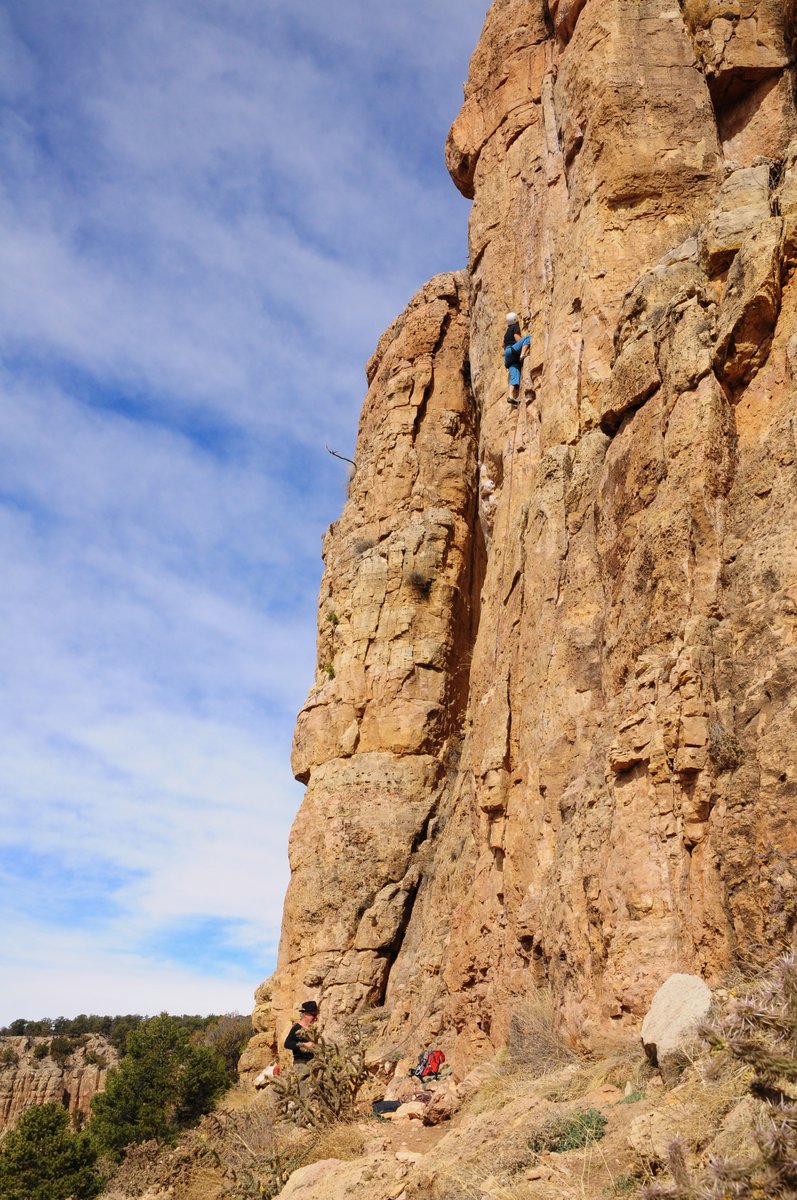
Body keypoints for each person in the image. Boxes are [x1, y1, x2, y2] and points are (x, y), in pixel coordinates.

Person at [503, 311, 530, 404]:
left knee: (515, 375)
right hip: (512, 350)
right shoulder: (515, 327)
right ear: (515, 319)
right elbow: (517, 338)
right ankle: (522, 355)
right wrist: (521, 342)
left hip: (507, 354)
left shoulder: (507, 332)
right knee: (528, 338)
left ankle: (510, 396)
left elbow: (502, 344)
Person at [284, 1000, 318, 1068]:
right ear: (305, 1014)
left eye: (316, 1015)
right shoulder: (296, 1028)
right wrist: (304, 1045)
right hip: (301, 1064)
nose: (315, 1018)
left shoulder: (312, 1028)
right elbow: (287, 1044)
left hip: (312, 1063)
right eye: (313, 1015)